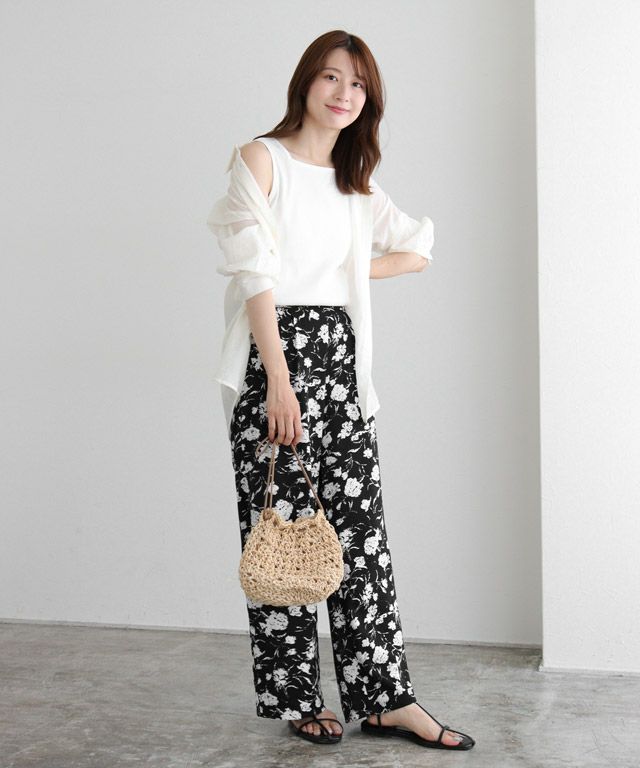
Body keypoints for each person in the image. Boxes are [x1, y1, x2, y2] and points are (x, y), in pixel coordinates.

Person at [207, 29, 475, 751]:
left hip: (342, 365)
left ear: (368, 100)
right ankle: (298, 698)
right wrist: (279, 382)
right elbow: (255, 275)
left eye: (357, 85)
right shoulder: (261, 159)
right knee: (282, 533)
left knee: (361, 541)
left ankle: (388, 698)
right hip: (275, 359)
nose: (343, 94)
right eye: (331, 77)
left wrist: (347, 274)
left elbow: (417, 247)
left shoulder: (356, 182)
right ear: (306, 81)